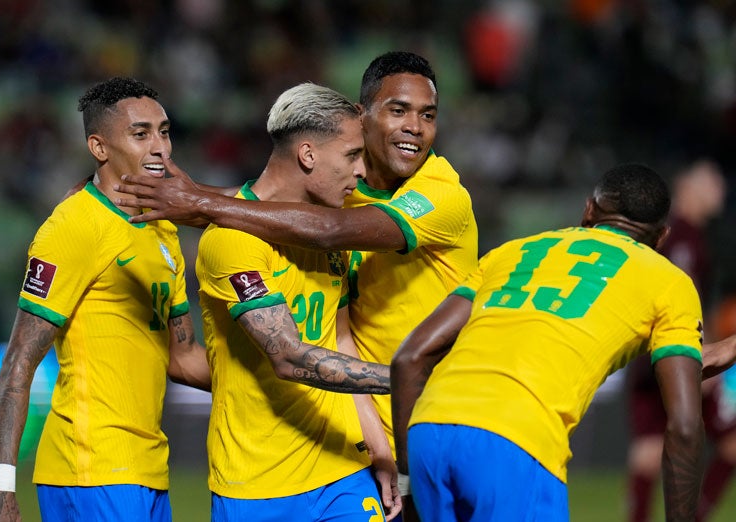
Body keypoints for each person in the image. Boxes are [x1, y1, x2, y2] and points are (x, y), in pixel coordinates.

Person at [113, 52, 478, 515]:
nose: (416, 127)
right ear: (362, 119)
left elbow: (327, 228)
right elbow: (281, 206)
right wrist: (173, 199)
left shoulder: (439, 195)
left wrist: (201, 201)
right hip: (352, 436)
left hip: (433, 415)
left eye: (428, 115)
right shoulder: (338, 194)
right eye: (399, 110)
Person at [390, 163, 706, 521]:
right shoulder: (670, 282)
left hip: (429, 432)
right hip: (515, 440)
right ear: (662, 237)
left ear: (589, 210)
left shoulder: (512, 252)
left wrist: (408, 480)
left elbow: (410, 357)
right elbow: (683, 425)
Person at [0, 77, 211, 522]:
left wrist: (273, 378)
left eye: (164, 130)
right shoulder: (75, 226)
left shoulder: (163, 229)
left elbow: (182, 358)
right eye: (141, 134)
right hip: (91, 468)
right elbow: (21, 355)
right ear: (99, 148)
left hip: (148, 467)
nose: (160, 146)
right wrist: (0, 486)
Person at [197, 82, 399, 521]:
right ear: (308, 155)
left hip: (343, 469)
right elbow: (289, 357)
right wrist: (408, 378)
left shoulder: (332, 234)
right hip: (254, 484)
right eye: (351, 155)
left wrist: (380, 452)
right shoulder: (230, 243)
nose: (363, 170)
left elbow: (341, 341)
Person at [625, 159, 735, 522]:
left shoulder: (675, 233)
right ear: (691, 188)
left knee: (648, 447)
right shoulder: (685, 237)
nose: (721, 192)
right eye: (714, 184)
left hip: (649, 353)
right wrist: (697, 353)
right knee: (729, 441)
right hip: (679, 352)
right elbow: (682, 298)